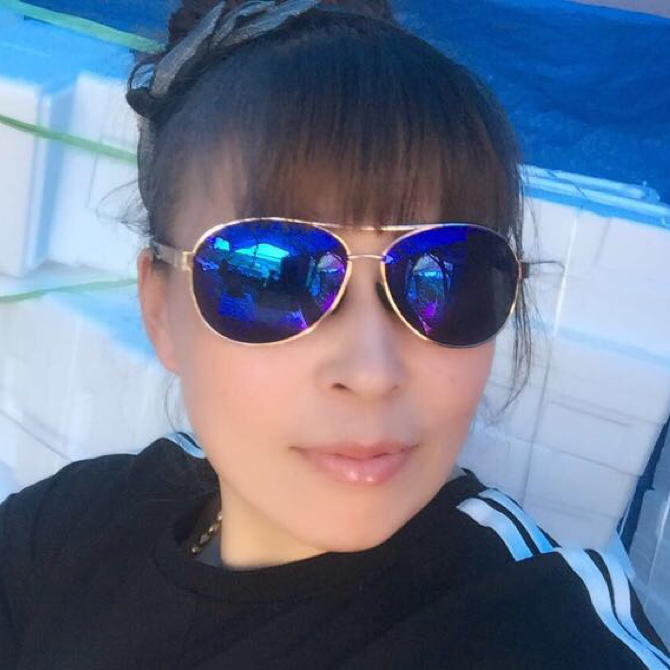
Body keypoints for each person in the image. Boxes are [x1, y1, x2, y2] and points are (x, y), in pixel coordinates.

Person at [1, 1, 668, 668]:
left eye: (447, 275)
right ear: (160, 311)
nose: (373, 371)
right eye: (277, 277)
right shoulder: (62, 532)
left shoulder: (526, 625)